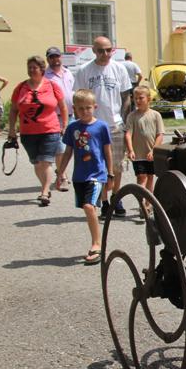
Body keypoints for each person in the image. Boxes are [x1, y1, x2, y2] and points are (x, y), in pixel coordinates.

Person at [73, 36, 132, 217]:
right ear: (93, 50)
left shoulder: (119, 68)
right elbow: (77, 98)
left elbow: (126, 97)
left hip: (114, 124)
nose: (105, 54)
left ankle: (116, 198)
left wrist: (124, 120)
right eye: (100, 50)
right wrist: (80, 122)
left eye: (108, 50)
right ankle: (104, 201)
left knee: (116, 165)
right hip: (92, 126)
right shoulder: (84, 70)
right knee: (97, 165)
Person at [60, 89, 113, 265]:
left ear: (95, 107)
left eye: (88, 108)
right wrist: (60, 172)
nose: (84, 111)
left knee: (90, 206)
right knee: (87, 207)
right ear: (74, 108)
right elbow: (68, 151)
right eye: (80, 108)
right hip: (79, 175)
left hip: (97, 173)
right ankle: (96, 238)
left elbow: (107, 151)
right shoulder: (73, 127)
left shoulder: (101, 126)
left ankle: (97, 244)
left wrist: (110, 173)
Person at [8, 55, 67, 207]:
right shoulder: (21, 88)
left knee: (45, 162)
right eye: (29, 68)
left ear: (42, 69)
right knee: (36, 163)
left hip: (50, 130)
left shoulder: (52, 86)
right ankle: (45, 186)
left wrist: (65, 124)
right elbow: (14, 110)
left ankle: (45, 191)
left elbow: (63, 106)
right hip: (28, 133)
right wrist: (12, 130)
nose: (32, 70)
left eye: (35, 67)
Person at [124, 86, 165, 197]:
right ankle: (141, 201)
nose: (137, 101)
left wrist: (153, 150)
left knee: (150, 176)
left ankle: (148, 203)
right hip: (138, 154)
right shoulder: (132, 116)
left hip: (151, 154)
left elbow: (160, 135)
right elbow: (128, 134)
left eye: (141, 98)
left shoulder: (156, 115)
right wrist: (130, 150)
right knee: (141, 177)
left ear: (148, 99)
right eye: (135, 98)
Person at [45, 47, 74, 191]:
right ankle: (62, 176)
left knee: (73, 146)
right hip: (55, 116)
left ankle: (62, 171)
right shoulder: (46, 76)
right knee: (60, 148)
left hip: (72, 114)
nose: (55, 60)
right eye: (52, 57)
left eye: (57, 57)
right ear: (48, 59)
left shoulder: (68, 72)